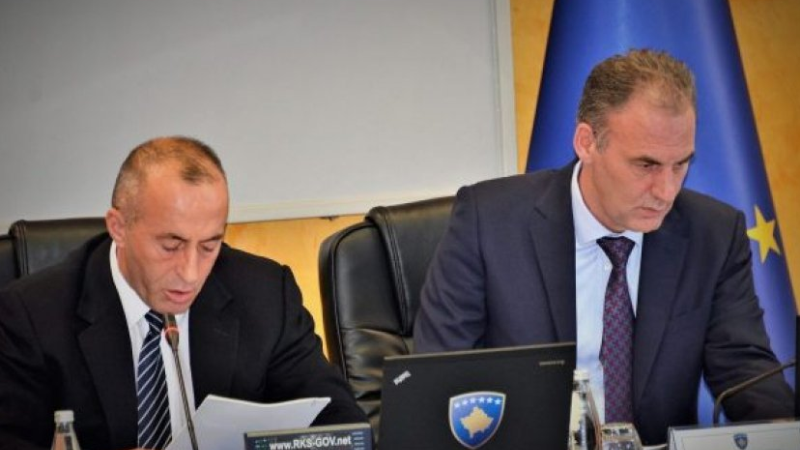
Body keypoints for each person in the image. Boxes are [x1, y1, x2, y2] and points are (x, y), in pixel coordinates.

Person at [413, 49, 793, 445]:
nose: (666, 191)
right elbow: (438, 378)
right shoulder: (489, 223)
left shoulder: (713, 234)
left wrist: (784, 433)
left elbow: (745, 371)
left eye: (680, 164)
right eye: (646, 165)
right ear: (587, 142)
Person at [0, 137, 366, 450]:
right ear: (119, 227)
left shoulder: (266, 294)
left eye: (209, 245)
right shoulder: (32, 315)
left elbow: (340, 426)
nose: (190, 273)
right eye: (171, 245)